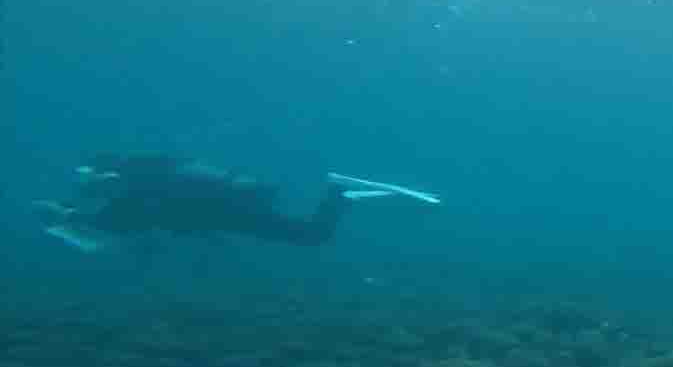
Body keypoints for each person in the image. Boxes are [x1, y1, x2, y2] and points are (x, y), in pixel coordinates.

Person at [31, 155, 439, 252]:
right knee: (308, 234)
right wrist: (73, 215)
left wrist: (67, 218)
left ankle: (340, 194)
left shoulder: (136, 190)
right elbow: (119, 222)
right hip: (231, 205)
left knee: (311, 236)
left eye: (95, 185)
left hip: (229, 211)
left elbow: (110, 231)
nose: (98, 192)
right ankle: (341, 193)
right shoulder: (143, 178)